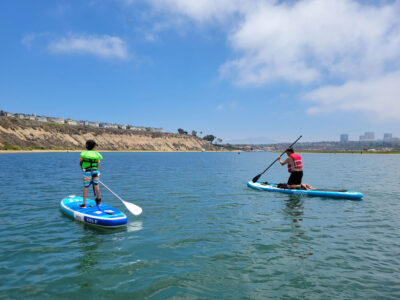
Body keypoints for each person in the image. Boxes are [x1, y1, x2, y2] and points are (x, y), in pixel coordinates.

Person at [80, 140, 103, 208]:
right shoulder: (97, 155)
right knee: (96, 186)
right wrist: (98, 172)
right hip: (95, 172)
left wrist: (83, 169)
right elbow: (97, 165)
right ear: (94, 147)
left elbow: (81, 163)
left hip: (87, 172)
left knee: (86, 187)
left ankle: (84, 204)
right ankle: (98, 202)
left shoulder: (84, 154)